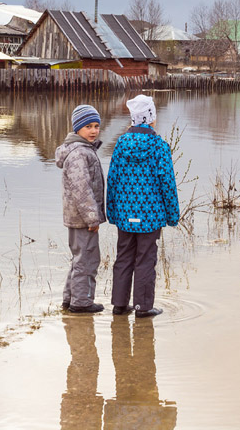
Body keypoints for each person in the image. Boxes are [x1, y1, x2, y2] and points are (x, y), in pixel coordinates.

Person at [106, 94, 179, 318]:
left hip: (125, 215)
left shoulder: (120, 144)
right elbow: (167, 183)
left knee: (124, 257)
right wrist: (173, 215)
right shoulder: (159, 146)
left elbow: (112, 179)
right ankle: (143, 307)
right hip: (150, 216)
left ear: (133, 119)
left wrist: (111, 212)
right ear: (151, 119)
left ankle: (120, 304)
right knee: (146, 259)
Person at [56, 104, 106, 314]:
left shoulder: (84, 150)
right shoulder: (78, 154)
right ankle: (81, 302)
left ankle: (70, 299)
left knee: (80, 259)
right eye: (88, 127)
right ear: (77, 129)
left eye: (96, 126)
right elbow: (81, 189)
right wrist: (92, 218)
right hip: (82, 219)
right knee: (87, 260)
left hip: (78, 217)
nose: (94, 130)